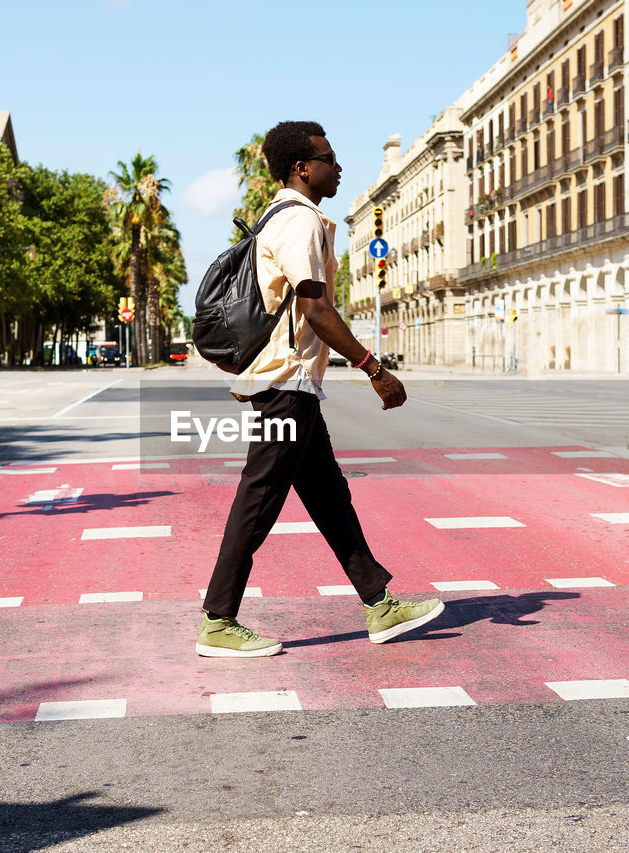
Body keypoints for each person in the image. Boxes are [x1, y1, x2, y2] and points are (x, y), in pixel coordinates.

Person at [197, 121, 444, 658]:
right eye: (329, 160)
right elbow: (315, 307)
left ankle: (379, 603)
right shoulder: (301, 223)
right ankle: (218, 620)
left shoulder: (282, 218)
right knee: (257, 499)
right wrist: (373, 367)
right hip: (285, 384)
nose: (339, 168)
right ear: (302, 168)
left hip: (294, 384)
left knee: (331, 498)